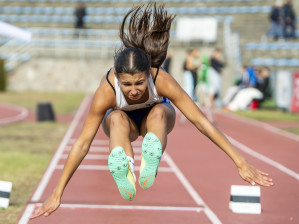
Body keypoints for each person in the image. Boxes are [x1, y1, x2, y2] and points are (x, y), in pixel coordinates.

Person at [30, 3, 273, 220]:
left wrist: (240, 162)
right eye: (126, 85)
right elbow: (83, 143)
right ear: (117, 79)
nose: (134, 90)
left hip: (155, 122)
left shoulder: (162, 79)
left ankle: (152, 153)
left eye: (139, 83)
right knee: (115, 117)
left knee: (157, 111)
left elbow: (200, 121)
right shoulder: (106, 90)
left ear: (148, 74)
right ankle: (122, 164)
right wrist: (57, 192)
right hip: (125, 126)